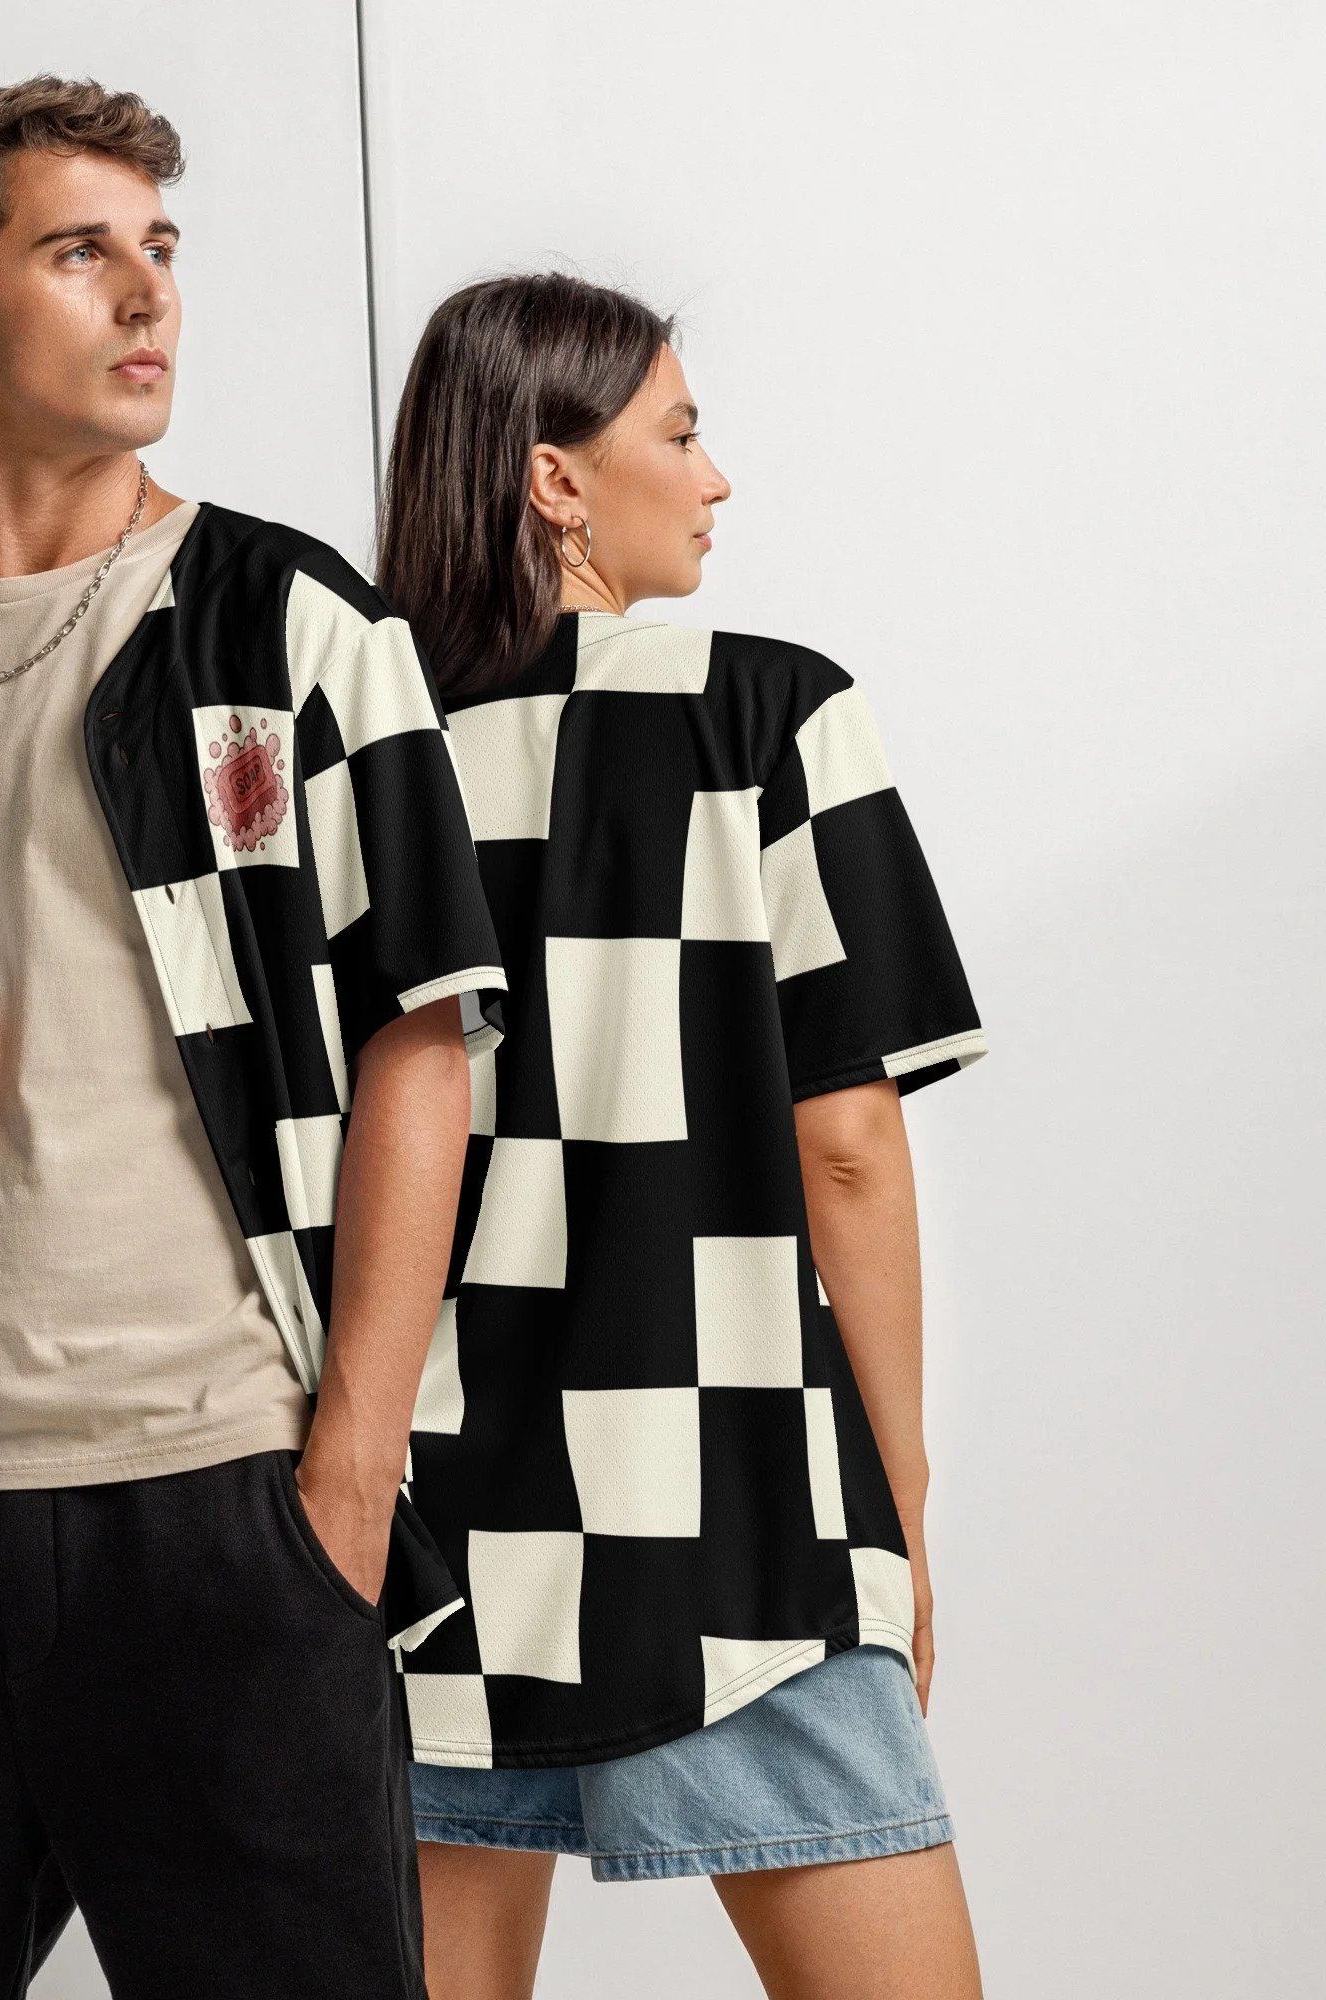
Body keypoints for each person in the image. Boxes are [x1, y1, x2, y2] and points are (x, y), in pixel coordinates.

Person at [0, 77, 504, 1999]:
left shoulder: (296, 625)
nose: (149, 294)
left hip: (234, 1503)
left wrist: (349, 1474)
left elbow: (428, 1042)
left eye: (161, 249)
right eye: (82, 252)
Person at [376, 273, 989, 1999]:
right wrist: (899, 1495)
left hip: (423, 1523)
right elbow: (847, 1143)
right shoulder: (771, 712)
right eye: (683, 431)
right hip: (736, 1505)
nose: (717, 479)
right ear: (556, 480)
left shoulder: (366, 754)